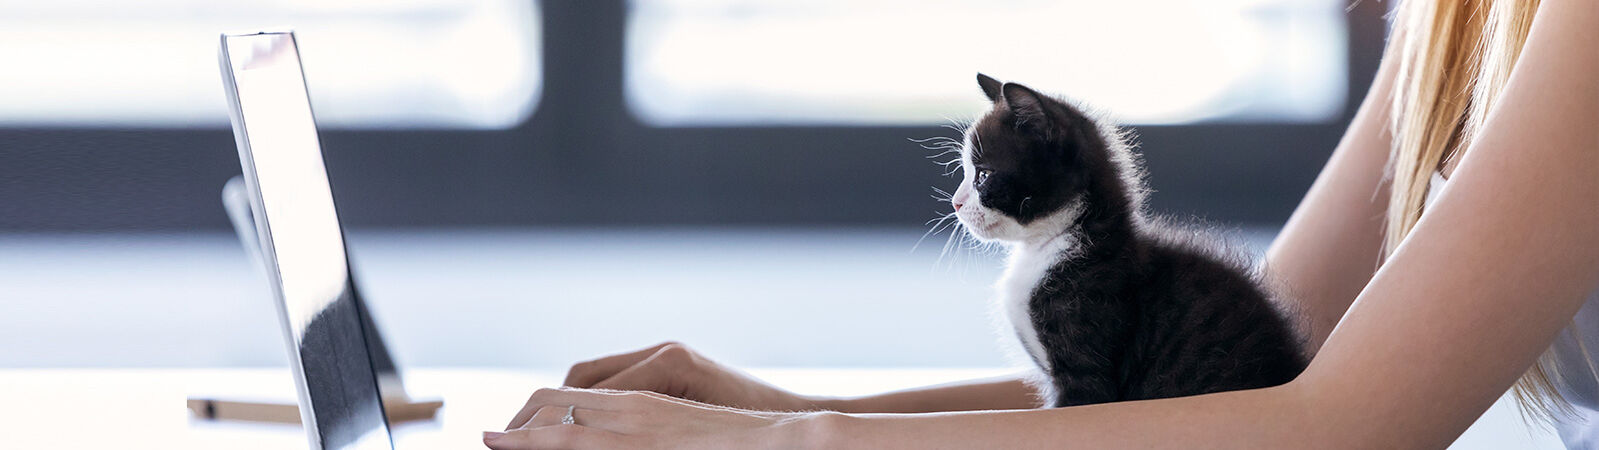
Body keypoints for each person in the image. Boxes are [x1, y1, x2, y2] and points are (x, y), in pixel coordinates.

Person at [486, 0, 1598, 447]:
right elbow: (1247, 381)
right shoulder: (1467, 17)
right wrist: (781, 406)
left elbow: (1342, 429)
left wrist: (793, 446)